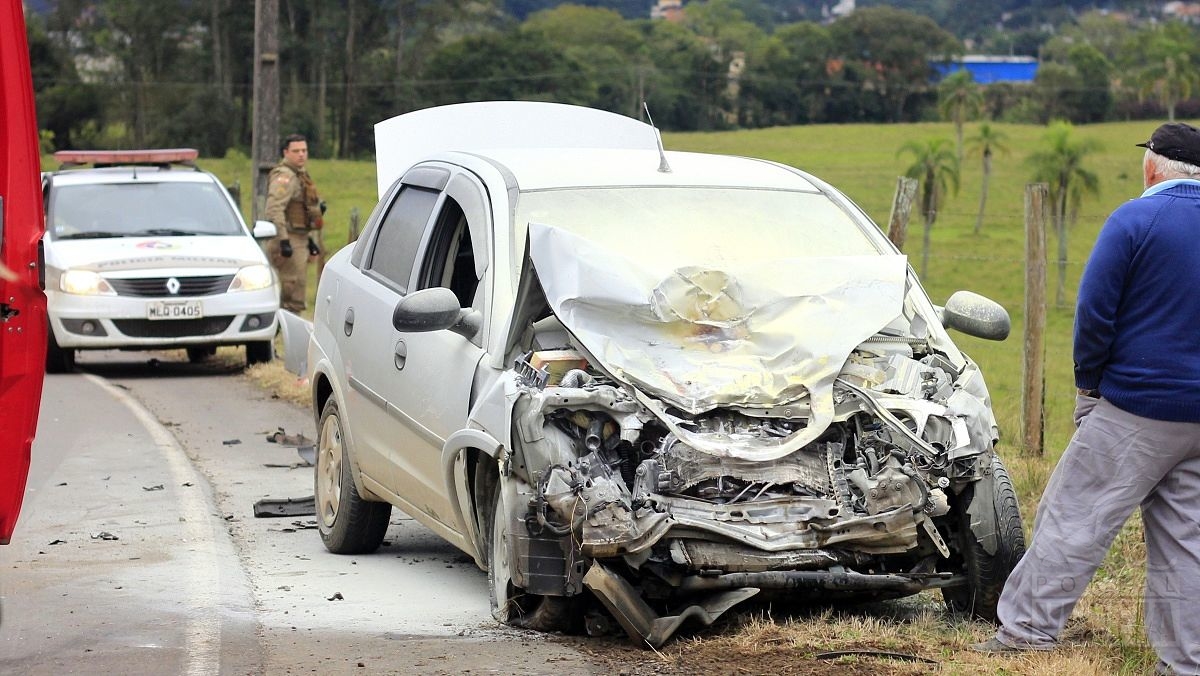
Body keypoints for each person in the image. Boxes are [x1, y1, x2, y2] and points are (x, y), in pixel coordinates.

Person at [973, 122, 1200, 674]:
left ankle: (1027, 630)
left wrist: (1088, 386)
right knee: (1187, 541)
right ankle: (1186, 660)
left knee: (1074, 516)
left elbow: (1095, 313)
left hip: (1137, 405)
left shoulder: (1136, 218)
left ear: (1153, 166)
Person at [265, 134, 324, 313]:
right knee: (289, 294)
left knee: (296, 292)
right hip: (288, 239)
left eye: (304, 150)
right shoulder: (285, 176)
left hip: (300, 238)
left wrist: (310, 240)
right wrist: (283, 240)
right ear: (286, 152)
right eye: (296, 151)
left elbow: (303, 210)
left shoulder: (301, 175)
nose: (301, 155)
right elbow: (274, 209)